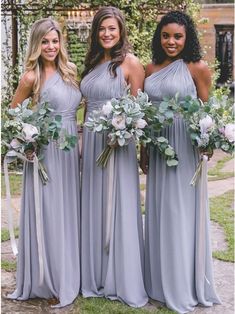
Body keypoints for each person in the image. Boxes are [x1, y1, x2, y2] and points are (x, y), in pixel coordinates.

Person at [141, 11, 221, 313]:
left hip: (185, 148)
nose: (171, 41)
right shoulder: (149, 69)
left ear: (187, 38)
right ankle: (159, 283)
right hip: (159, 147)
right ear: (158, 37)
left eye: (177, 36)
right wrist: (145, 150)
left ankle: (183, 283)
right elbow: (146, 113)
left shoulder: (198, 68)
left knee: (181, 212)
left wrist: (207, 144)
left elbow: (206, 112)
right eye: (165, 35)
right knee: (159, 210)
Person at [7, 18, 81, 308]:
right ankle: (47, 278)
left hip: (70, 151)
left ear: (61, 42)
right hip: (45, 154)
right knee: (48, 213)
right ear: (37, 45)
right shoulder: (30, 77)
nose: (51, 46)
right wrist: (28, 144)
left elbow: (76, 111)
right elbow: (13, 116)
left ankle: (69, 272)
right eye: (45, 42)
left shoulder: (71, 71)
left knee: (67, 211)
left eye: (55, 41)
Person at [80, 6, 148, 307]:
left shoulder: (131, 64)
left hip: (118, 144)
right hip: (93, 140)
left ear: (121, 31)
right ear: (96, 33)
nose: (107, 33)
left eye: (112, 28)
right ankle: (93, 271)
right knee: (93, 202)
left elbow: (137, 111)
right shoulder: (93, 63)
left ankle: (119, 275)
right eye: (102, 29)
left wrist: (123, 134)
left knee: (118, 203)